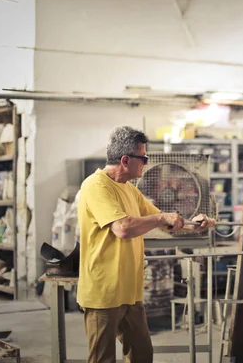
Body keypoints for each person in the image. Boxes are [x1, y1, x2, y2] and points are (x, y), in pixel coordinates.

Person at [77, 126, 215, 363]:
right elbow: (123, 228)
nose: (147, 163)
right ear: (125, 160)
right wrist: (161, 218)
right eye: (144, 158)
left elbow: (165, 220)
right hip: (103, 294)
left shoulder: (130, 190)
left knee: (142, 355)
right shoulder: (96, 186)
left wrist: (199, 223)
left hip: (129, 293)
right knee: (102, 359)